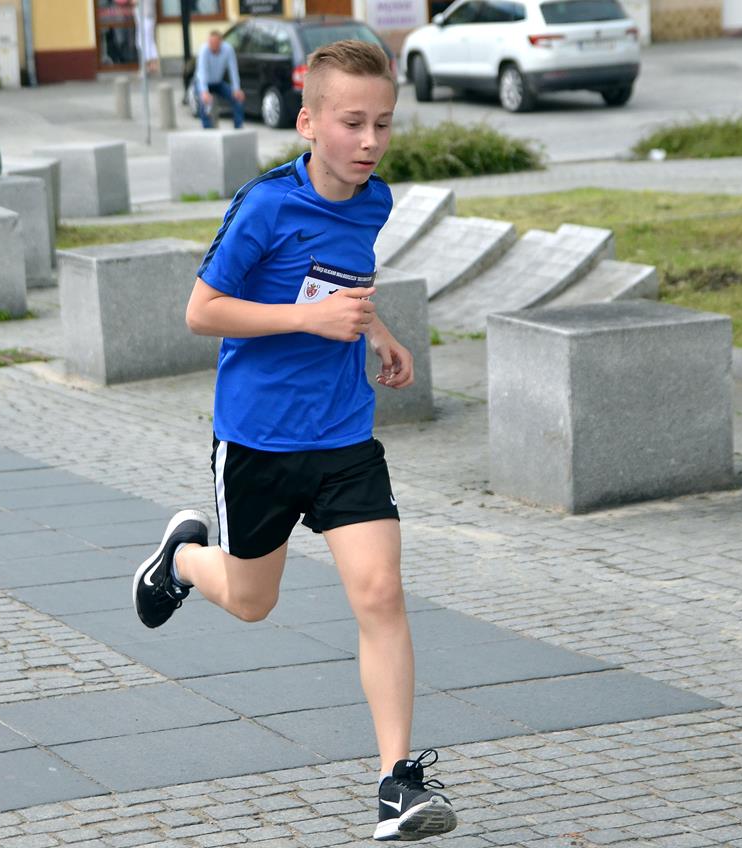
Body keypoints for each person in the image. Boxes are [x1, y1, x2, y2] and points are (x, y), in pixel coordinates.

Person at [132, 40, 458, 843]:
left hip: (344, 432)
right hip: (258, 440)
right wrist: (309, 320)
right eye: (352, 123)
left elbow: (346, 282)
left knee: (380, 592)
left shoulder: (374, 201)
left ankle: (396, 784)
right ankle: (181, 559)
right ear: (309, 122)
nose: (371, 141)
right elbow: (202, 311)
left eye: (383, 123)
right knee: (253, 602)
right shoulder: (266, 207)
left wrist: (378, 331)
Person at [194, 30, 244, 129]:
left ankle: (238, 128)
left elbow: (233, 70)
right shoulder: (204, 50)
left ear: (220, 42)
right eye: (210, 43)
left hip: (218, 82)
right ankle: (207, 130)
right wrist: (204, 91)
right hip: (203, 82)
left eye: (214, 43)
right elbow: (202, 72)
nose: (211, 45)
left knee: (238, 98)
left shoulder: (228, 50)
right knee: (205, 102)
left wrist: (236, 89)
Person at [136, 1, 159, 76]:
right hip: (147, 17)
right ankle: (152, 66)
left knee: (143, 42)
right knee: (149, 42)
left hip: (146, 17)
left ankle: (147, 67)